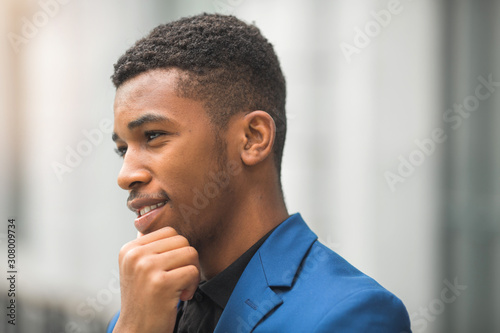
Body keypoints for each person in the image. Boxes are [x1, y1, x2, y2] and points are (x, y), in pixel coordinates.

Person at [107, 13, 411, 333]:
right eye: (122, 149)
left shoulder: (352, 314)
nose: (125, 175)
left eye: (153, 136)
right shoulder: (137, 314)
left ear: (253, 138)